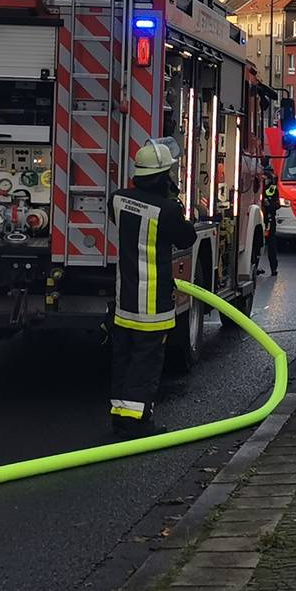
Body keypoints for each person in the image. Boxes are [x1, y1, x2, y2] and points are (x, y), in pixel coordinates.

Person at [109, 140, 197, 437]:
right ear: (163, 176)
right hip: (153, 302)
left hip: (125, 298)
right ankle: (139, 422)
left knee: (123, 357)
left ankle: (120, 414)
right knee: (146, 364)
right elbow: (187, 240)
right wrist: (177, 205)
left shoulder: (117, 199)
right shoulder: (167, 210)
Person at [261, 157, 279, 275]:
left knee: (271, 245)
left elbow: (277, 205)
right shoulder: (266, 186)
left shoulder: (272, 189)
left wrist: (268, 204)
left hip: (268, 219)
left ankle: (273, 268)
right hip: (264, 217)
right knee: (261, 245)